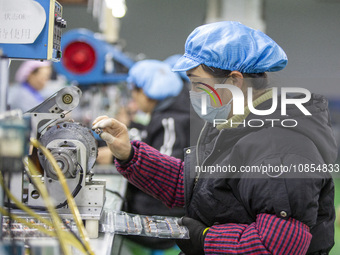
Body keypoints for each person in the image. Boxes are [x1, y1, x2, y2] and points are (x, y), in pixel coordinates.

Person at [93, 21, 337, 254]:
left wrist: (205, 238)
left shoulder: (281, 149)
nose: (192, 93)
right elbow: (196, 185)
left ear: (233, 81)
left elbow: (276, 246)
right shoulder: (232, 124)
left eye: (199, 84)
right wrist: (130, 154)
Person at [123, 59, 190, 251]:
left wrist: (120, 157)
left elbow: (164, 170)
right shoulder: (174, 112)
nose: (133, 99)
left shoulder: (170, 120)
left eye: (134, 93)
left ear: (144, 92)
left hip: (161, 220)